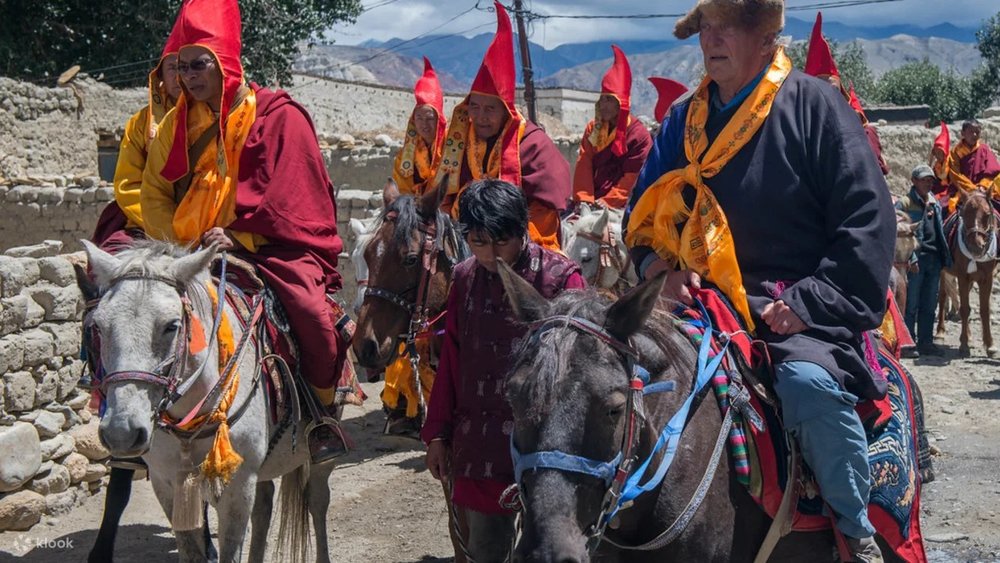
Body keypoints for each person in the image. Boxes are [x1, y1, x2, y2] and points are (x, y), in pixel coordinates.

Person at [624, 0, 894, 561]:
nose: (710, 39)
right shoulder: (683, 119)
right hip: (695, 300)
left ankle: (855, 530)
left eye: (727, 27)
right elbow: (641, 214)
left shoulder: (816, 107)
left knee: (808, 388)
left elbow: (867, 221)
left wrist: (812, 301)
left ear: (767, 36)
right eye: (704, 27)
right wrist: (656, 270)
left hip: (791, 305)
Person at [139, 0, 348, 463]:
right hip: (188, 250)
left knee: (312, 315)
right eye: (183, 66)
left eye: (200, 65)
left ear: (225, 63)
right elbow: (153, 191)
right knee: (127, 310)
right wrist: (180, 245)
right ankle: (130, 411)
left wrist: (239, 236)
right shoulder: (176, 124)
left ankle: (322, 414)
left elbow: (293, 195)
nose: (190, 76)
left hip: (267, 248)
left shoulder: (279, 115)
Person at [421, 179, 584, 562]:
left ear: (522, 230)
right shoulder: (464, 278)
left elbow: (582, 371)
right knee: (484, 550)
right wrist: (438, 434)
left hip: (548, 446)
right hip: (480, 441)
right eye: (478, 243)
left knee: (548, 550)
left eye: (502, 242)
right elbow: (452, 362)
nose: (491, 254)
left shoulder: (562, 279)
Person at [435, 2, 571, 251]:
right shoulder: (461, 141)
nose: (481, 117)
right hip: (464, 237)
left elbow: (544, 211)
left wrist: (509, 241)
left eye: (490, 109)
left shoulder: (532, 143)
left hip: (516, 240)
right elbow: (446, 194)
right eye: (475, 107)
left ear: (506, 111)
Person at [91, 19, 185, 252]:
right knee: (109, 264)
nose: (181, 75)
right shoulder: (140, 123)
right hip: (145, 222)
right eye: (173, 67)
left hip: (200, 222)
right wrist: (161, 225)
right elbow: (128, 184)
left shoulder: (215, 119)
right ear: (160, 74)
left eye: (188, 66)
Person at [804, 11, 889, 176]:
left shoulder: (859, 126)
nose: (826, 95)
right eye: (819, 88)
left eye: (832, 89)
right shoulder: (798, 123)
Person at [572, 45, 652, 210]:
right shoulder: (593, 128)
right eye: (602, 99)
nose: (604, 105)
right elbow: (584, 164)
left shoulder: (639, 135)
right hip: (592, 198)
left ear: (621, 103)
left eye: (610, 100)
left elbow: (633, 176)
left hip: (625, 202)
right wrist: (585, 198)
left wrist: (609, 201)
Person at [897, 164, 952, 357]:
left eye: (930, 180)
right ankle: (908, 342)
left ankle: (926, 341)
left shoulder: (934, 202)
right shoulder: (904, 203)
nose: (928, 183)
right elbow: (901, 234)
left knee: (930, 303)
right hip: (916, 259)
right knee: (911, 302)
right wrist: (910, 256)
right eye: (924, 180)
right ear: (914, 181)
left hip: (934, 259)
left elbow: (938, 230)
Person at [392, 57, 447, 196]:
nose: (424, 124)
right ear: (413, 121)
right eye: (419, 118)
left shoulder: (452, 145)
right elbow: (402, 188)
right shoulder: (407, 153)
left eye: (430, 119)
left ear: (439, 121)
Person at [934, 119, 1000, 213]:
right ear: (963, 133)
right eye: (971, 132)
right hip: (962, 192)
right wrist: (972, 189)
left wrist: (982, 186)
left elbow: (992, 171)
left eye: (977, 132)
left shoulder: (984, 149)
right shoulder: (955, 152)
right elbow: (955, 175)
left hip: (984, 191)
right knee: (941, 211)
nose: (974, 135)